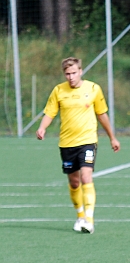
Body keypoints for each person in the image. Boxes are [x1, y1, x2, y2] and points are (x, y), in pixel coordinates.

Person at [36, 57, 120, 234]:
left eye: (74, 73)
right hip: (67, 143)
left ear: (80, 71)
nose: (71, 77)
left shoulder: (93, 88)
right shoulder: (59, 90)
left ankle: (89, 219)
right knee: (74, 182)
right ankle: (80, 216)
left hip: (88, 140)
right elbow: (49, 113)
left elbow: (102, 114)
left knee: (86, 176)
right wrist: (42, 128)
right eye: (67, 74)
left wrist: (112, 137)